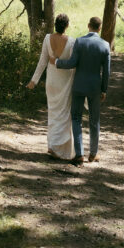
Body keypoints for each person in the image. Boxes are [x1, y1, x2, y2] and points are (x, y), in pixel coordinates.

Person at [52, 15, 111, 166]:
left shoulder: (80, 41)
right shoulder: (105, 45)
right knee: (94, 120)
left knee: (76, 118)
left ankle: (79, 154)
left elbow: (72, 63)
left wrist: (57, 62)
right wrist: (104, 90)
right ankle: (93, 153)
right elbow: (107, 72)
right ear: (100, 28)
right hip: (95, 87)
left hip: (78, 86)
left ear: (88, 25)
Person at [27, 12, 75, 160]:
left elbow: (42, 61)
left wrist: (34, 80)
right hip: (65, 81)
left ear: (55, 24)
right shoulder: (72, 42)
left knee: (53, 113)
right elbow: (73, 64)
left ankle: (52, 146)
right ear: (67, 25)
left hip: (52, 81)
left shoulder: (48, 38)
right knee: (65, 114)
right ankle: (59, 148)